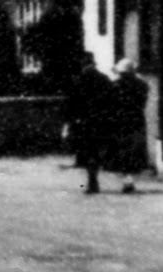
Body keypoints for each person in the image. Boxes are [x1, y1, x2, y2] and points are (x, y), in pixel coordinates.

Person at [62, 51, 112, 194]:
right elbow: (111, 101)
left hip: (82, 122)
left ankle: (92, 179)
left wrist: (68, 122)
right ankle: (93, 177)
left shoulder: (78, 80)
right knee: (96, 150)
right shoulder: (104, 79)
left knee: (86, 150)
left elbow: (70, 104)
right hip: (100, 120)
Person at [107, 58, 152, 193]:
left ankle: (126, 179)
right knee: (134, 150)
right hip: (136, 119)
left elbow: (111, 103)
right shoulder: (142, 85)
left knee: (121, 149)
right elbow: (143, 101)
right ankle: (129, 179)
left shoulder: (115, 85)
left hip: (119, 120)